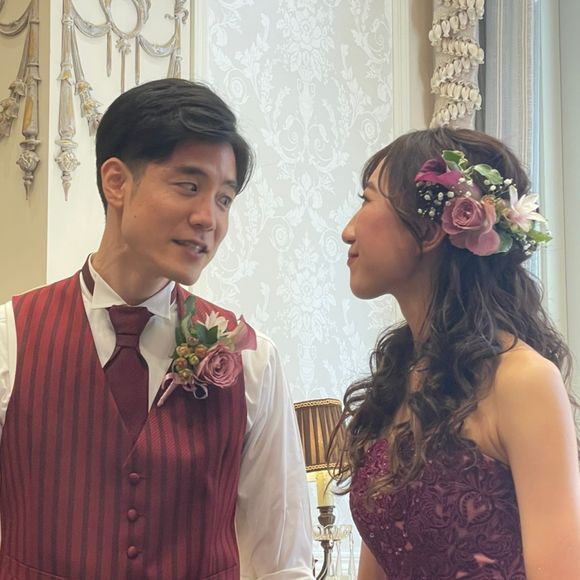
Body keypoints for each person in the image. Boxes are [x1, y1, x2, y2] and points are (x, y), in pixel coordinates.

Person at [0, 78, 313, 579]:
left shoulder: (250, 359)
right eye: (189, 186)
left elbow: (281, 562)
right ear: (117, 183)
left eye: (224, 199)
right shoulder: (10, 339)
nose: (208, 219)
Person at [334, 127, 580, 579]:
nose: (348, 230)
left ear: (429, 230)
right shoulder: (397, 380)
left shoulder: (523, 380)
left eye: (366, 200)